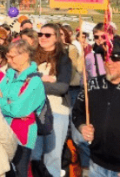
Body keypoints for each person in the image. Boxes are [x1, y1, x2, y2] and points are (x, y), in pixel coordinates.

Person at [0, 40, 46, 177]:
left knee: (20, 172)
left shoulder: (35, 81)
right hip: (4, 132)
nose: (8, 60)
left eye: (12, 57)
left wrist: (1, 100)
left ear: (25, 55)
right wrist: (7, 102)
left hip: (22, 137)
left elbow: (18, 110)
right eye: (8, 56)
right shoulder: (9, 75)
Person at [27, 23, 72, 176]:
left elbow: (62, 87)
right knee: (35, 155)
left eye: (47, 35)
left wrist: (36, 84)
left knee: (52, 156)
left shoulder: (63, 60)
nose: (43, 38)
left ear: (57, 38)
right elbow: (24, 80)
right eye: (40, 34)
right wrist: (44, 79)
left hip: (57, 111)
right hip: (34, 111)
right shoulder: (31, 58)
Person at [72, 40, 120, 177]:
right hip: (96, 164)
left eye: (115, 58)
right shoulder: (92, 84)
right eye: (106, 57)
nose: (109, 62)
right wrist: (82, 127)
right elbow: (77, 112)